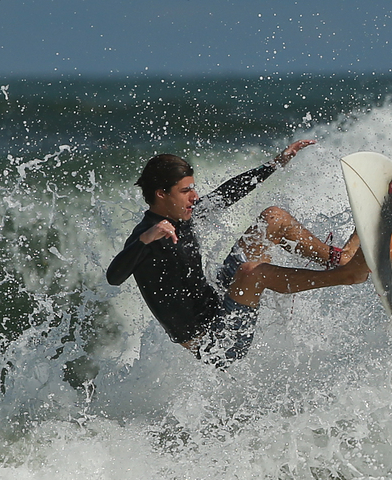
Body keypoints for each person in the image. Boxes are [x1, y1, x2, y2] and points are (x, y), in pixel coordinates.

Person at [106, 140, 369, 365]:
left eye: (193, 188)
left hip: (220, 298)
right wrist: (145, 239)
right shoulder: (146, 238)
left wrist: (275, 164)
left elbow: (226, 194)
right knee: (250, 273)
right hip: (216, 343)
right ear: (161, 194)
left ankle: (338, 259)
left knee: (272, 218)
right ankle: (348, 275)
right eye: (185, 191)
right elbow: (114, 276)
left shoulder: (184, 217)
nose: (195, 197)